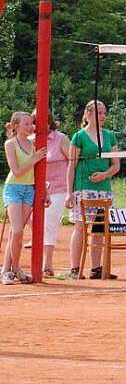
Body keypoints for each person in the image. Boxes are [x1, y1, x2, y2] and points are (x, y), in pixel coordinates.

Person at [65, 100, 120, 280]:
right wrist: (69, 192)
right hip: (83, 187)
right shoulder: (79, 136)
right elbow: (71, 166)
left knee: (99, 229)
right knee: (80, 227)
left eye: (104, 113)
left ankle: (96, 268)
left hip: (103, 188)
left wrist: (104, 175)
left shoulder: (110, 136)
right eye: (99, 113)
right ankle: (75, 268)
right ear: (89, 114)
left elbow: (116, 165)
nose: (103, 116)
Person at [2, 112, 46, 284]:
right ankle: (12, 269)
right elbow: (17, 171)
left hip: (29, 189)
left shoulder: (33, 143)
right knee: (18, 230)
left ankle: (12, 269)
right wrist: (34, 159)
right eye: (26, 124)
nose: (31, 127)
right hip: (14, 188)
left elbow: (37, 173)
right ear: (16, 126)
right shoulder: (10, 144)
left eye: (31, 124)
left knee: (16, 232)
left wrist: (44, 191)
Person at [33, 111, 70, 276]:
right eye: (34, 122)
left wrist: (71, 190)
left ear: (49, 122)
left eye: (41, 121)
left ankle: (46, 264)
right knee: (31, 222)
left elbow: (73, 163)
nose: (37, 125)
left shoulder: (61, 139)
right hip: (32, 189)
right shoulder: (29, 141)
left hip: (57, 188)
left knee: (48, 222)